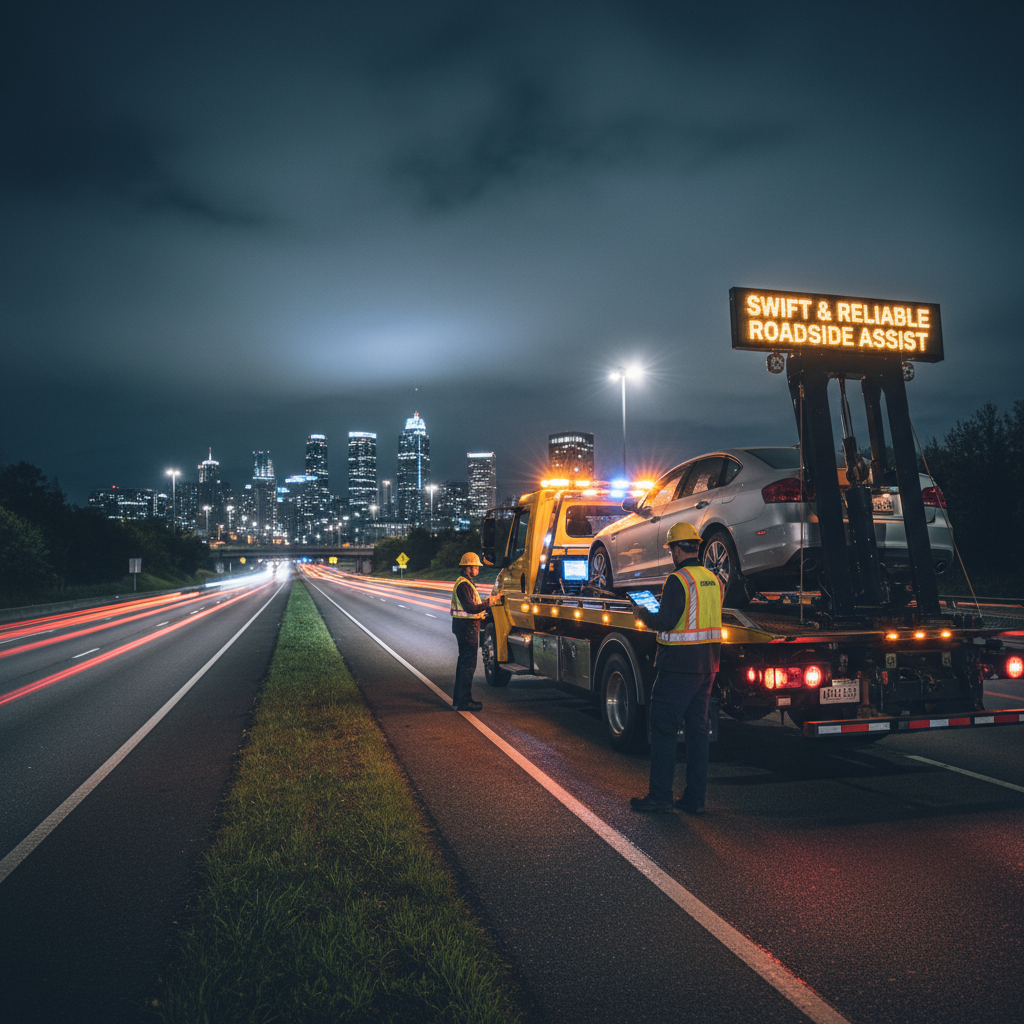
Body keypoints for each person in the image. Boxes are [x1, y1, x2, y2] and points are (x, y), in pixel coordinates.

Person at [628, 522, 725, 814]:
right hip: (707, 666)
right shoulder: (714, 579)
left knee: (663, 729)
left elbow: (666, 621)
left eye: (671, 548)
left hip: (678, 667)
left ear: (677, 549)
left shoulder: (678, 580)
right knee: (698, 733)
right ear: (695, 546)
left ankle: (660, 796)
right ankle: (695, 799)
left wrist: (642, 613)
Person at [450, 552, 502, 711]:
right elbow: (470, 608)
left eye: (477, 567)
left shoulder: (466, 583)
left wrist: (482, 613)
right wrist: (488, 603)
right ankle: (465, 701)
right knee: (468, 666)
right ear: (466, 568)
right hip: (467, 630)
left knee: (463, 665)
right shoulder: (463, 585)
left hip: (465, 627)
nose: (476, 569)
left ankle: (458, 700)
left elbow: (472, 608)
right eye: (473, 567)